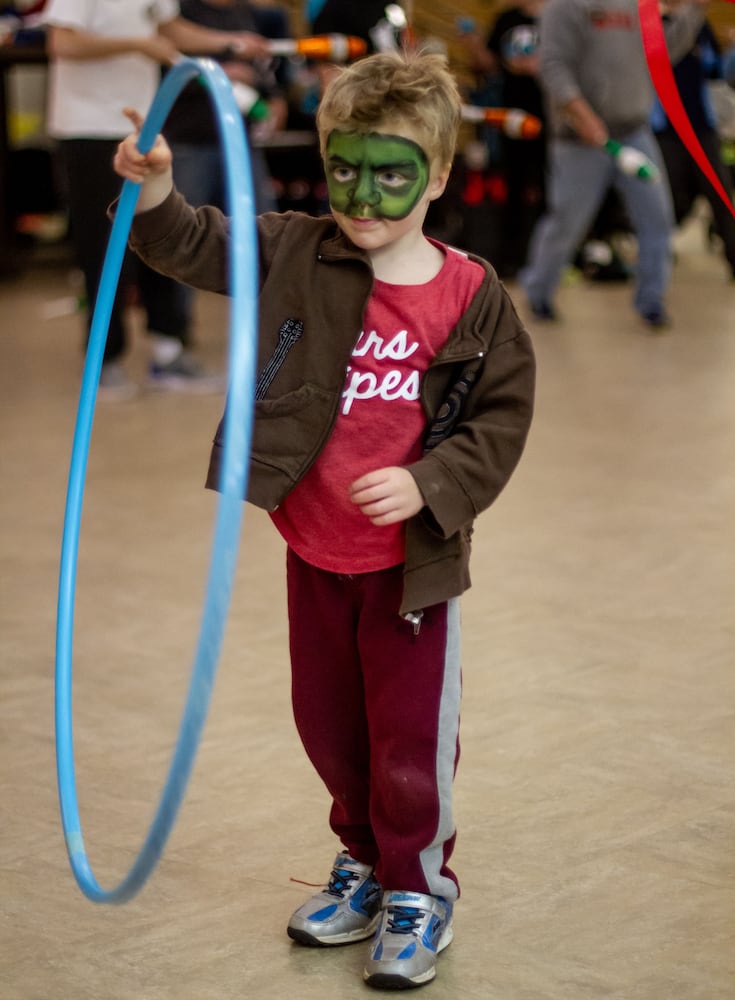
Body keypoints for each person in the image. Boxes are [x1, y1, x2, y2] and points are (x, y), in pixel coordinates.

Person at [113, 49, 535, 989]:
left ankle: (419, 886)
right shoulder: (300, 247)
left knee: (407, 734)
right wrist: (156, 192)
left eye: (390, 176)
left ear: (435, 174)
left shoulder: (471, 296)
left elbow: (502, 418)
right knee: (330, 724)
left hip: (408, 568)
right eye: (344, 168)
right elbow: (195, 244)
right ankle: (363, 862)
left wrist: (432, 482)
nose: (362, 197)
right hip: (315, 550)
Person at [44, 0, 271, 396]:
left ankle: (169, 351)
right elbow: (62, 43)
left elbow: (171, 29)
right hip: (91, 129)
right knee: (104, 245)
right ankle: (105, 361)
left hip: (146, 124)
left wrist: (230, 42)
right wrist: (136, 44)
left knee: (158, 229)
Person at [519, 0, 709, 329]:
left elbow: (660, 53)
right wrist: (582, 116)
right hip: (578, 140)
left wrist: (695, 11)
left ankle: (651, 300)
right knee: (567, 222)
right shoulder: (563, 8)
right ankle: (538, 292)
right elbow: (553, 66)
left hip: (635, 133)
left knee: (657, 220)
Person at [143, 0, 291, 369]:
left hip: (240, 144)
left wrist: (274, 101)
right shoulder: (178, 12)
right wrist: (223, 72)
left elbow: (263, 72)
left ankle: (276, 337)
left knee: (266, 236)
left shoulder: (244, 13)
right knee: (176, 238)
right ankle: (170, 344)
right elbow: (167, 71)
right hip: (188, 142)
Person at [458, 0, 547, 278]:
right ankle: (510, 259)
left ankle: (544, 260)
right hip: (510, 119)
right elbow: (489, 64)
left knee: (548, 189)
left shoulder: (559, 16)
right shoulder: (506, 18)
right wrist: (473, 44)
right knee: (512, 190)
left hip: (549, 118)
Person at [650, 9, 735, 279]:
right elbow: (666, 54)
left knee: (721, 194)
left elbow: (715, 70)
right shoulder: (651, 23)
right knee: (670, 197)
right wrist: (695, 11)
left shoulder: (699, 23)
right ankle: (656, 257)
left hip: (702, 127)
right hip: (666, 128)